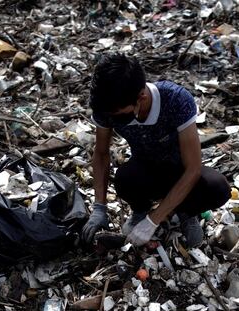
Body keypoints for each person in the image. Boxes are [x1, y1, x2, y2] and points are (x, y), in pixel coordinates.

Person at [81, 53, 230, 248]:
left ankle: (186, 213)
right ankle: (140, 210)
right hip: (146, 169)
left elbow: (193, 168)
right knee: (125, 178)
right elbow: (101, 153)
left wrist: (153, 221)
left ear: (140, 97)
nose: (113, 120)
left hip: (181, 171)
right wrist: (99, 208)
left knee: (217, 188)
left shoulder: (176, 100)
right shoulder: (109, 107)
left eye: (120, 116)